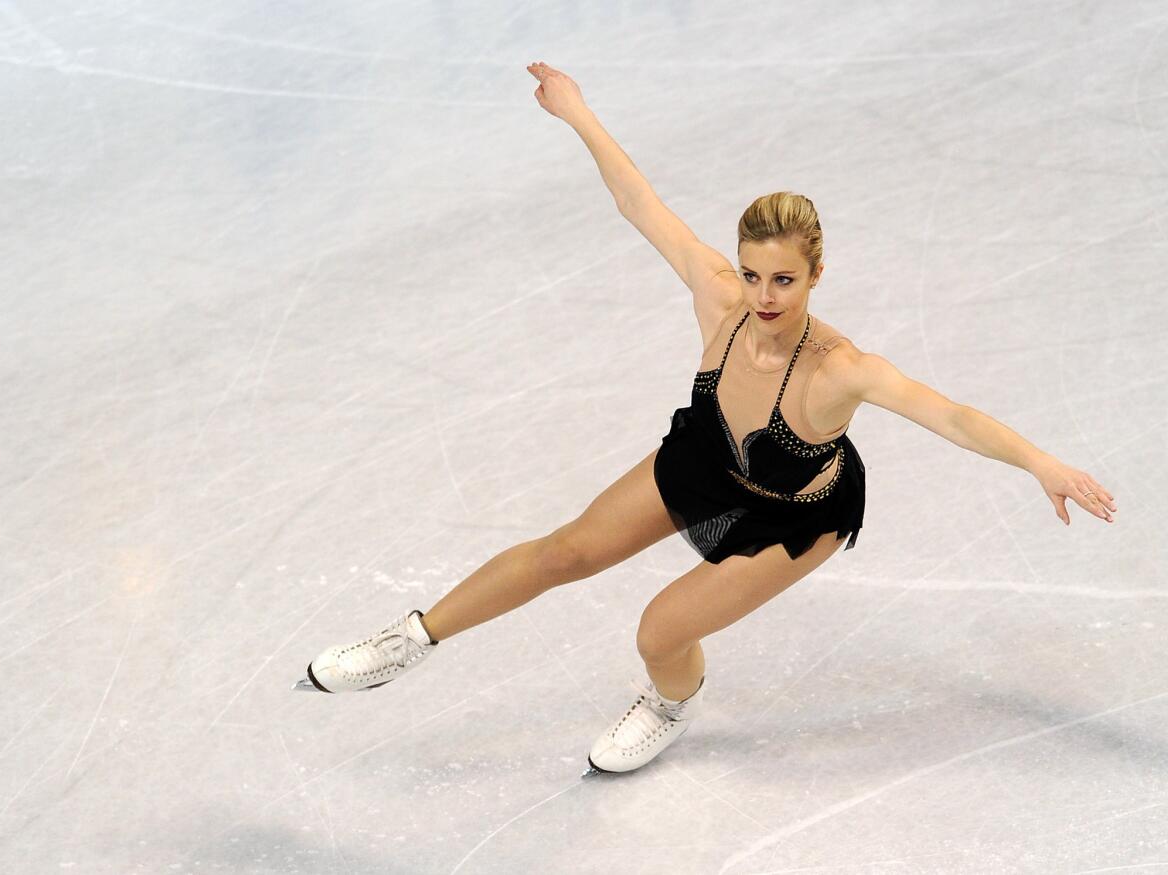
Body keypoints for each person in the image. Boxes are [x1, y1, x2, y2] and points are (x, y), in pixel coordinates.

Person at [295, 62, 1119, 775]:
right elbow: (637, 200)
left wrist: (1040, 462)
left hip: (792, 511)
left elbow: (954, 415)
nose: (764, 297)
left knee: (659, 631)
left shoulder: (840, 370)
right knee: (565, 551)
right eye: (755, 274)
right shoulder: (720, 300)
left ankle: (670, 703)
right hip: (708, 454)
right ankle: (411, 639)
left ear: (816, 275)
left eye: (784, 282)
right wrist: (577, 110)